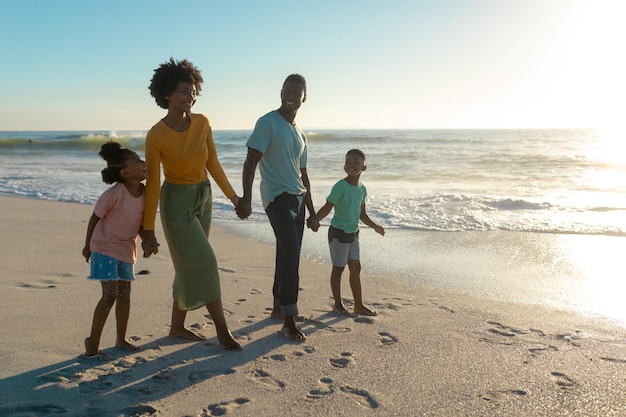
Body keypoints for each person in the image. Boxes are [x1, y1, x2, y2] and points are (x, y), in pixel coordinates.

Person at [141, 58, 241, 351]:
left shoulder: (203, 123)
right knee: (205, 262)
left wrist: (234, 198)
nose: (191, 96)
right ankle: (222, 330)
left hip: (203, 198)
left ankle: (176, 326)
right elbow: (154, 185)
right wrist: (148, 229)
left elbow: (213, 164)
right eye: (185, 91)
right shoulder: (156, 135)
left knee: (188, 265)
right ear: (167, 95)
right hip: (176, 204)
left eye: (194, 91)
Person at [236, 74, 316, 342]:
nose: (291, 94)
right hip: (276, 197)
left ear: (305, 97)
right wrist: (246, 198)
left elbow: (304, 175)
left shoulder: (301, 134)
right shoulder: (267, 122)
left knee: (286, 252)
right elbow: (251, 161)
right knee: (291, 253)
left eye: (297, 91)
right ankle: (289, 321)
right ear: (281, 92)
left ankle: (278, 308)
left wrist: (313, 211)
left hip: (299, 199)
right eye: (287, 89)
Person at [82, 141, 147, 357]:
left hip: (127, 250)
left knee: (125, 296)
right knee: (109, 296)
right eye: (138, 161)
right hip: (104, 248)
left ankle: (121, 339)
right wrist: (87, 246)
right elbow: (94, 218)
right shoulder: (113, 194)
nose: (144, 162)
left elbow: (139, 224)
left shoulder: (145, 193)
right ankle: (93, 341)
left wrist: (148, 240)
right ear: (125, 172)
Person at [309, 149, 384, 316]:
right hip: (338, 233)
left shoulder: (362, 189)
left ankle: (358, 305)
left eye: (356, 162)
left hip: (353, 234)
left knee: (355, 268)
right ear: (344, 166)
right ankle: (337, 304)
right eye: (348, 162)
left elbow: (362, 214)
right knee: (338, 269)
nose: (351, 165)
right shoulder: (340, 186)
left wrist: (375, 226)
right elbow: (328, 206)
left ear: (363, 167)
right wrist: (315, 219)